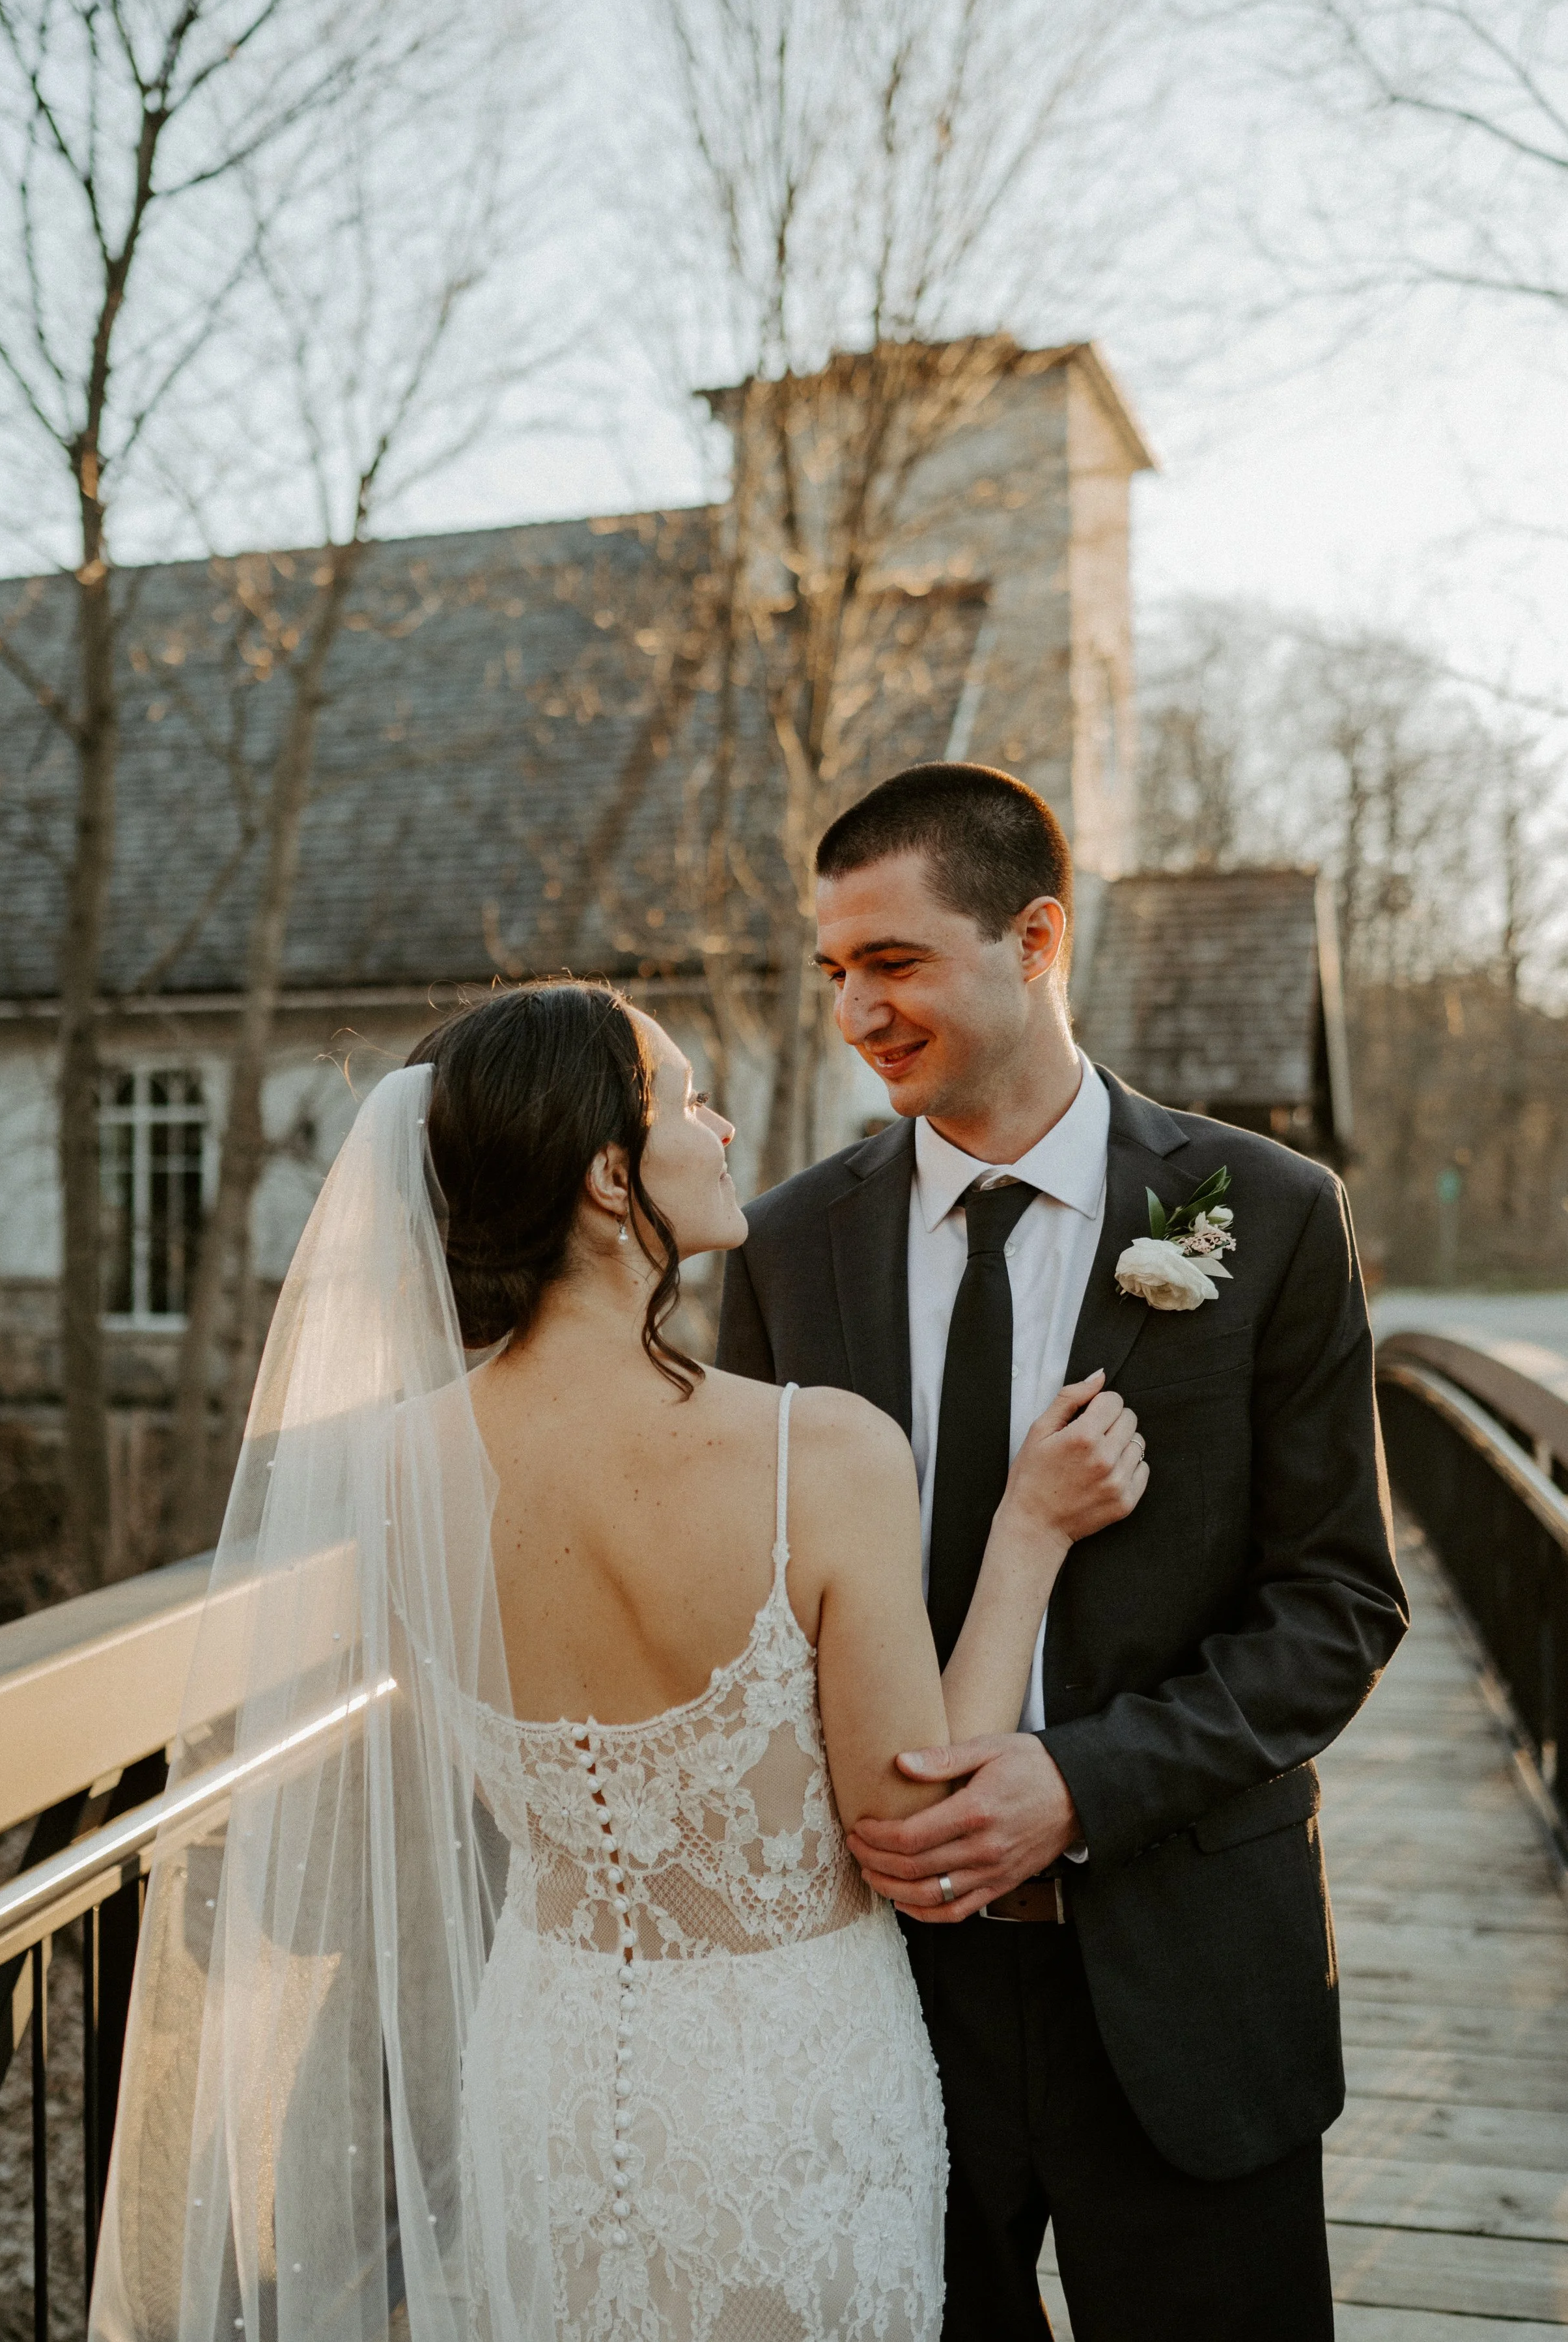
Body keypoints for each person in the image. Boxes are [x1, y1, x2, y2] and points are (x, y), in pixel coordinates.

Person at [91, 981, 1145, 2342]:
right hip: (790, 2089)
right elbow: (921, 1828)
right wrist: (1029, 1532)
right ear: (605, 1176)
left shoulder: (390, 1471)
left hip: (547, 2069)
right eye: (690, 1101)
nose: (718, 1131)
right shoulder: (816, 1453)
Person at [717, 761, 1409, 2342]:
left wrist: (1079, 1783)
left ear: (1034, 941)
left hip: (1182, 1976)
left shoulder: (1271, 1214)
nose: (854, 1014)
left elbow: (1336, 1606)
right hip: (883, 1996)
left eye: (893, 964)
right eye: (833, 971)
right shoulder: (784, 1246)